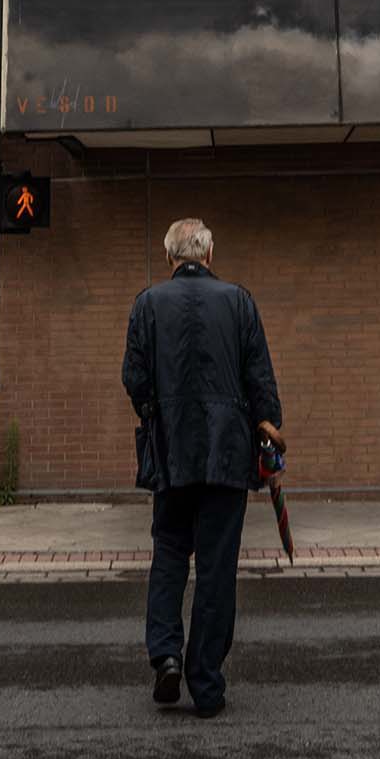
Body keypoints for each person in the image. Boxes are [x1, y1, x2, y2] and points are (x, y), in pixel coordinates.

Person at [122, 216, 283, 718]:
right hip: (226, 452)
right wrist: (269, 429)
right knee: (216, 568)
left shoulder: (147, 304)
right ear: (209, 255)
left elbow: (134, 376)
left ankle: (166, 653)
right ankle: (206, 684)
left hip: (171, 450)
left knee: (169, 553)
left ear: (170, 257)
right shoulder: (239, 302)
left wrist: (154, 412)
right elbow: (259, 375)